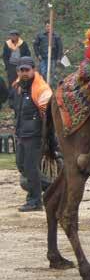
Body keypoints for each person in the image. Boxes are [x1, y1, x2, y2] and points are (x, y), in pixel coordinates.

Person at [12, 57, 53, 212]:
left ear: (33, 70)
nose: (24, 73)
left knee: (30, 167)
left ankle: (35, 201)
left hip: (36, 135)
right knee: (22, 166)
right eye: (21, 70)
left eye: (27, 70)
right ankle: (54, 186)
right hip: (22, 134)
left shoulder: (42, 90)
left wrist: (49, 138)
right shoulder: (19, 87)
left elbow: (49, 117)